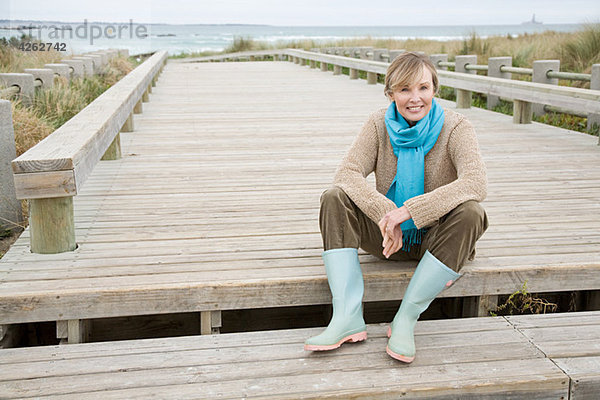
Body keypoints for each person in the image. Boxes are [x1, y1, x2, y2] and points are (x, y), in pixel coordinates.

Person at [304, 52, 489, 363]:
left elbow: (476, 182)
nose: (414, 98)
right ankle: (346, 317)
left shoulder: (457, 127)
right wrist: (385, 213)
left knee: (472, 211)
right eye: (404, 89)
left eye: (423, 88)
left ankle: (405, 319)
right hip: (387, 238)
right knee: (334, 196)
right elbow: (347, 173)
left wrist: (411, 212)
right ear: (390, 93)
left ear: (435, 90)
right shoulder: (378, 124)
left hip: (437, 240)